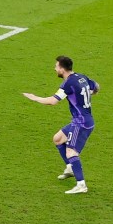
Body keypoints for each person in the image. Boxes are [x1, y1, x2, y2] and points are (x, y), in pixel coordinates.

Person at [22, 56, 99, 195]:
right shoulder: (81, 77)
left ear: (62, 69)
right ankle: (70, 168)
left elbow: (53, 101)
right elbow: (96, 87)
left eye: (56, 66)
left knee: (71, 152)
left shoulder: (68, 83)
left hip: (80, 123)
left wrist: (35, 98)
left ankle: (81, 185)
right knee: (57, 139)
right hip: (84, 119)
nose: (55, 68)